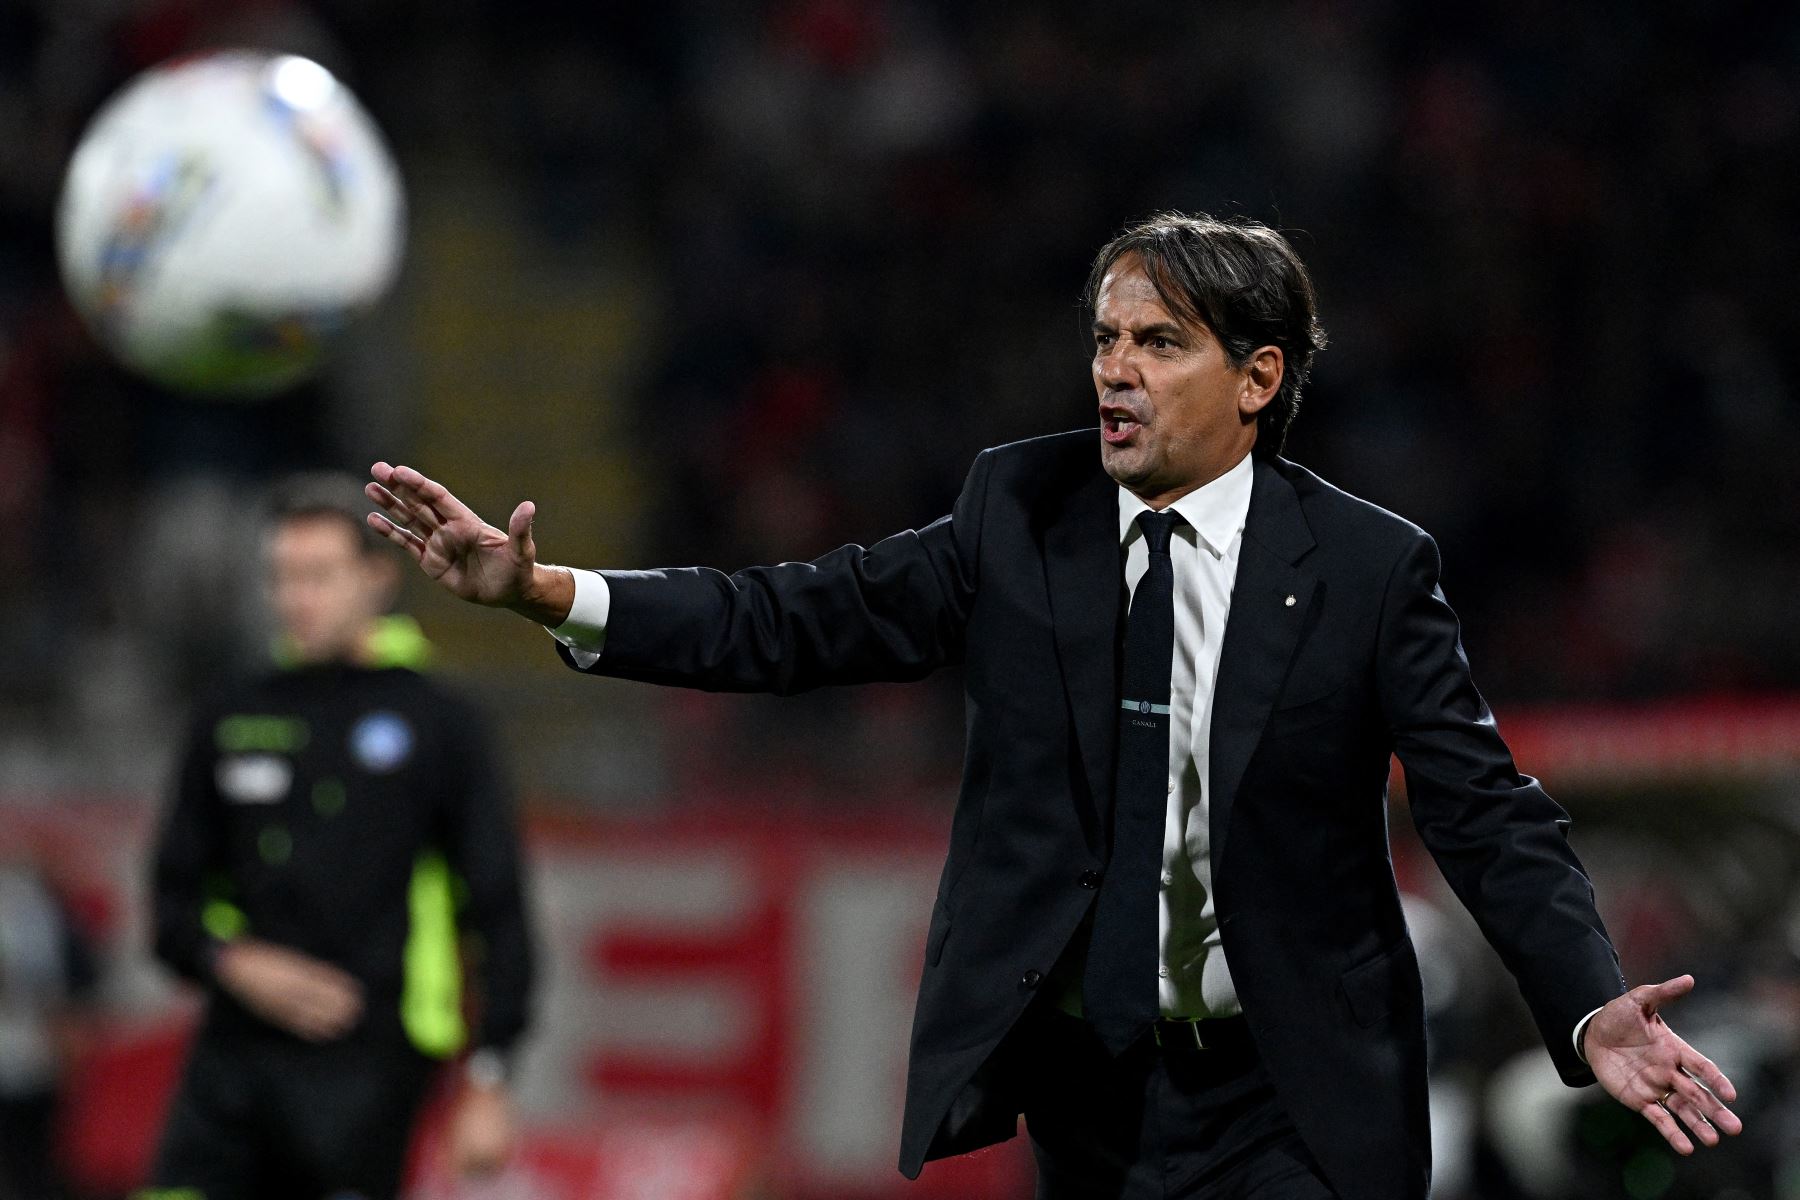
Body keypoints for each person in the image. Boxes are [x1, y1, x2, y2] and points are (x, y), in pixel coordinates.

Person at [365, 213, 1737, 1200]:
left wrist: (1587, 1004)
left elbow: (1485, 809)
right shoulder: (1017, 514)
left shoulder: (1372, 569)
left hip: (1298, 1093)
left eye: (1160, 342)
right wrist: (550, 594)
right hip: (1098, 1095)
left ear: (1259, 379)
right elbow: (794, 618)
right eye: (1106, 339)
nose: (1116, 370)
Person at [145, 474, 534, 1200]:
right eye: (281, 577)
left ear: (378, 578)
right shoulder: (231, 713)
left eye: (318, 575)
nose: (295, 597)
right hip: (233, 1058)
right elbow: (170, 905)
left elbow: (497, 907)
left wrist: (491, 1077)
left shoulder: (438, 722)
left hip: (372, 1060)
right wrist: (233, 962)